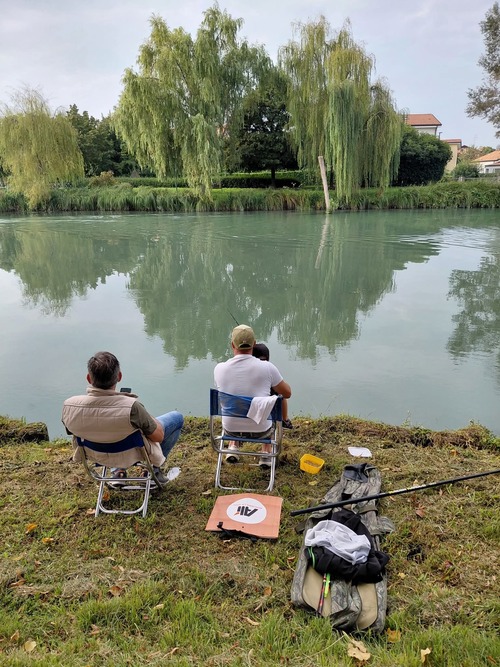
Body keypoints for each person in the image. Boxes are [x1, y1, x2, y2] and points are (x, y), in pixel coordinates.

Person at [62, 351, 183, 485]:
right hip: (130, 453)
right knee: (177, 418)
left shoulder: (70, 406)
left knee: (111, 429)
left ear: (89, 378)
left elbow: (70, 431)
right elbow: (158, 436)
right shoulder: (131, 407)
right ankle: (152, 471)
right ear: (119, 376)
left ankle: (118, 472)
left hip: (95, 454)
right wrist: (145, 415)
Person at [213, 325, 292, 467]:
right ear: (254, 344)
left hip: (231, 429)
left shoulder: (219, 369)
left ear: (232, 345)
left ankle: (233, 447)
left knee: (235, 403)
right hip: (261, 431)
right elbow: (287, 393)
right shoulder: (268, 367)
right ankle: (266, 453)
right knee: (271, 405)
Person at [253, 342, 293, 429]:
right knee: (280, 395)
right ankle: (285, 420)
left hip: (239, 421)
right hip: (265, 423)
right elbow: (287, 393)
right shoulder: (269, 370)